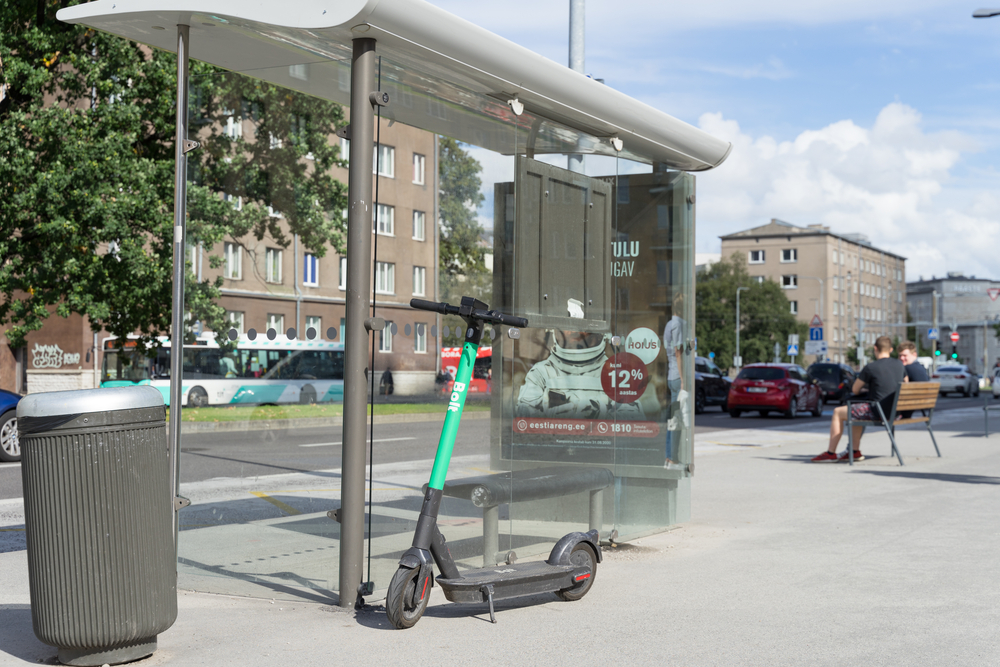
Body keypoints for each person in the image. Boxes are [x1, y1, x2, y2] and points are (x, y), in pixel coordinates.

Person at [811, 335, 904, 462]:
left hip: (879, 411)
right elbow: (904, 383)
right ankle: (854, 451)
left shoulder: (871, 367)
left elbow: (855, 389)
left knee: (838, 412)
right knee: (856, 411)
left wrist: (866, 389)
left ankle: (830, 452)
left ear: (875, 348)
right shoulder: (899, 365)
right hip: (895, 412)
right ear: (891, 349)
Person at [662, 291, 687, 466]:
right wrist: (684, 379)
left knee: (673, 419)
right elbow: (678, 353)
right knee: (677, 420)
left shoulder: (669, 324)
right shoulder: (678, 324)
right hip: (678, 377)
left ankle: (669, 455)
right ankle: (673, 457)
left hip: (672, 376)